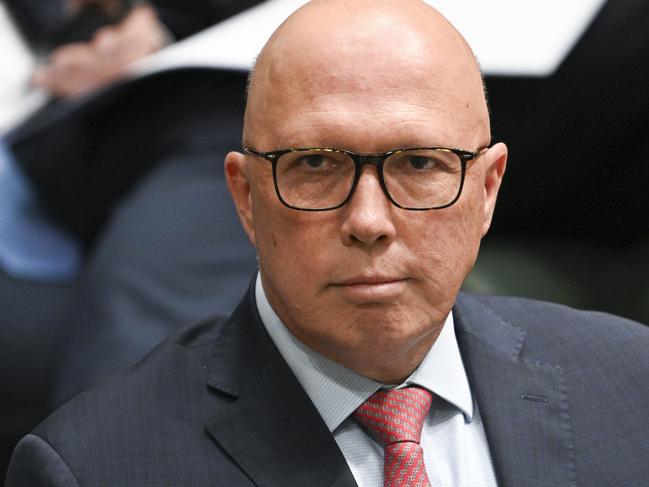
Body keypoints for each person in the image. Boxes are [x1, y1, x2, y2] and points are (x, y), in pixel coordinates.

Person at [7, 0, 649, 486]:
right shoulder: (95, 465)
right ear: (246, 197)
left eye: (420, 165)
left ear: (487, 190)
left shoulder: (631, 387)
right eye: (316, 165)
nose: (369, 220)